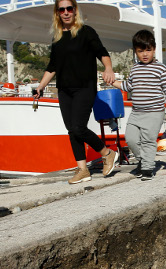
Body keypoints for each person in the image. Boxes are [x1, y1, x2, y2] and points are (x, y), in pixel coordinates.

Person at [34, 0, 117, 184]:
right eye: (61, 9)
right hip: (64, 89)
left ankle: (107, 153)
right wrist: (40, 86)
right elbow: (52, 66)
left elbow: (102, 52)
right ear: (57, 12)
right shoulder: (56, 38)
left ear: (75, 10)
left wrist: (108, 69)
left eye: (69, 8)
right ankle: (83, 170)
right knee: (71, 130)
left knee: (79, 127)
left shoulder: (86, 32)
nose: (66, 12)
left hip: (85, 87)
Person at [109, 29, 166, 181]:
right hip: (136, 113)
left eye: (148, 50)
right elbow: (128, 86)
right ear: (135, 52)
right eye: (141, 51)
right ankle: (144, 160)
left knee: (148, 140)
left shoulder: (162, 69)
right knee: (130, 138)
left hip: (154, 112)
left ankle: (147, 168)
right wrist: (112, 81)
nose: (145, 54)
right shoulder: (135, 69)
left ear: (154, 49)